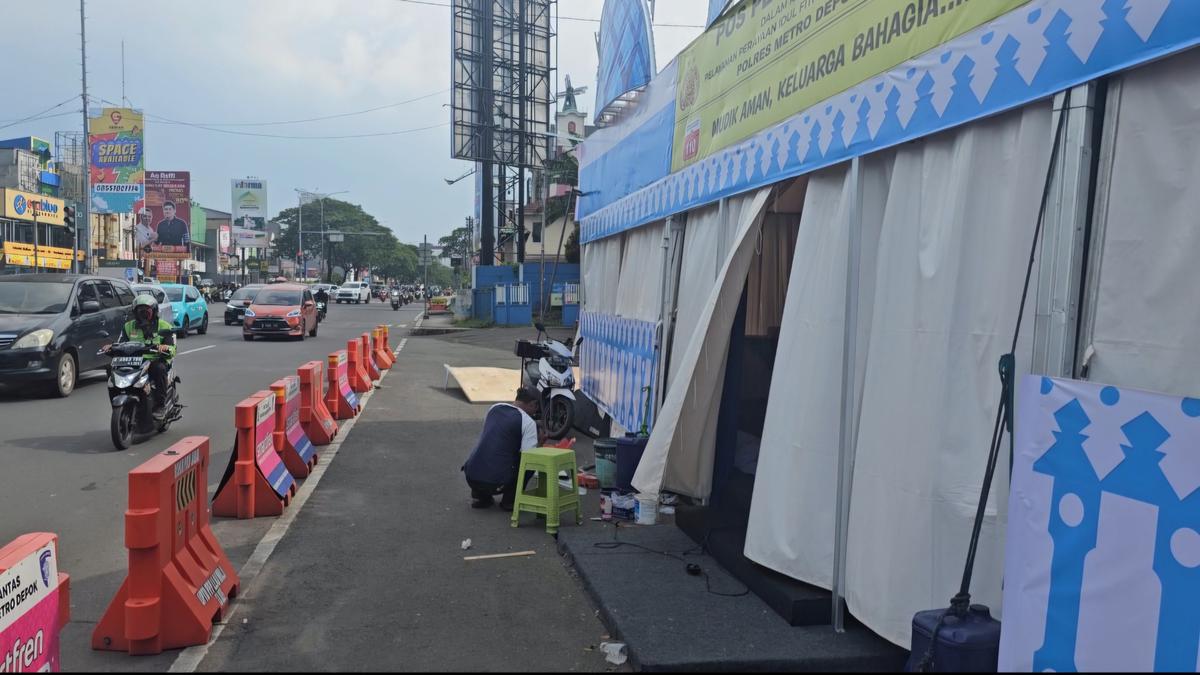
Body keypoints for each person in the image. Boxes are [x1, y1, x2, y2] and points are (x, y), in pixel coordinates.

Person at [461, 387, 547, 509]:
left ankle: (481, 496)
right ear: (533, 404)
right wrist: (540, 443)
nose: (535, 413)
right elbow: (530, 457)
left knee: (489, 448)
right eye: (536, 409)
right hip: (496, 483)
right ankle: (509, 501)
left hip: (471, 477)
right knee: (528, 462)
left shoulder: (495, 408)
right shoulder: (528, 422)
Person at [103, 295, 176, 420]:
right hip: (134, 360)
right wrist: (111, 347)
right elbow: (121, 343)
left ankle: (160, 405)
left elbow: (172, 349)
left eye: (146, 311)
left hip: (155, 360)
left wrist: (164, 348)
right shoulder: (128, 326)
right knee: (111, 370)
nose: (142, 314)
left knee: (159, 369)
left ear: (154, 311)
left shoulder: (164, 326)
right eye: (139, 310)